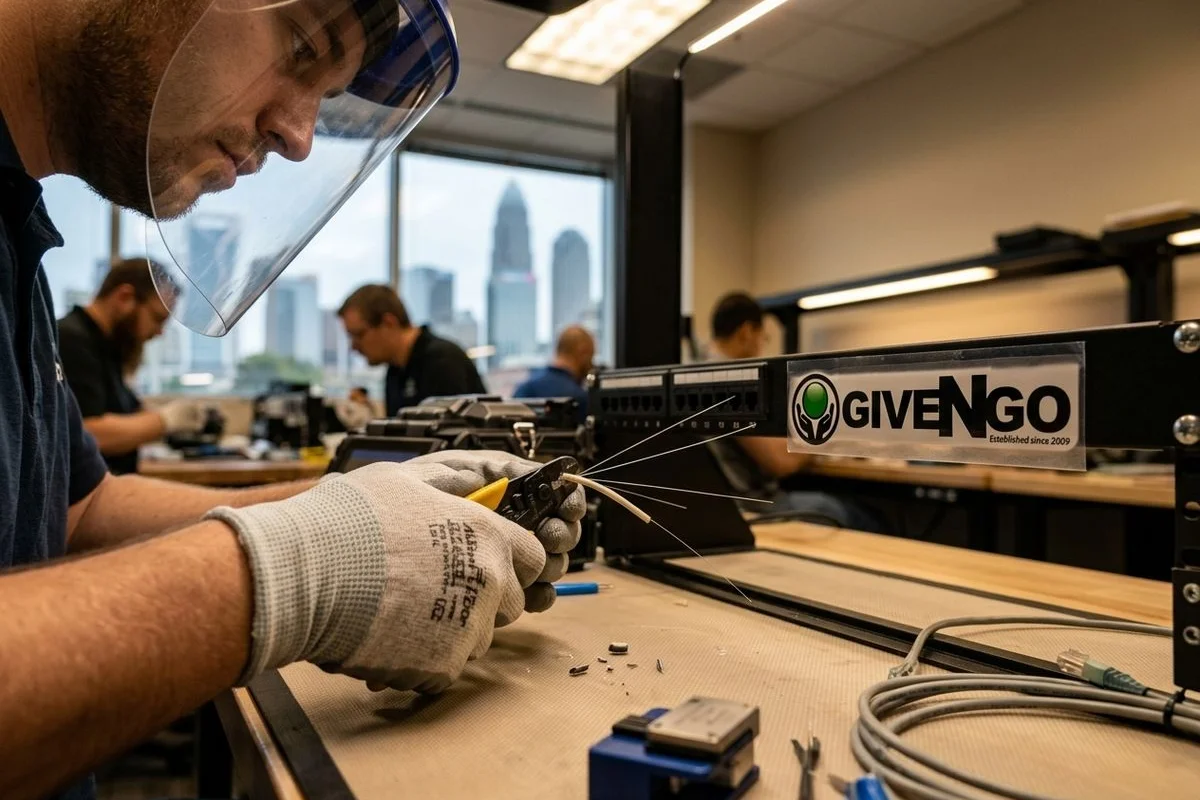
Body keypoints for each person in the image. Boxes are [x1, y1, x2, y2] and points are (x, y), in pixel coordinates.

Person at [0, 3, 582, 799]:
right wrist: (300, 570)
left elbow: (78, 510)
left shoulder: (18, 246)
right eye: (305, 46)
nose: (301, 138)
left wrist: (361, 505)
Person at [706, 293, 881, 531]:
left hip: (731, 506)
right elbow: (781, 462)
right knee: (856, 514)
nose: (760, 347)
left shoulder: (698, 374)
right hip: (757, 507)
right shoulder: (728, 382)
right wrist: (820, 436)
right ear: (747, 332)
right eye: (762, 338)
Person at [57, 258, 207, 474]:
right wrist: (166, 419)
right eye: (157, 318)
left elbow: (124, 409)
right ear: (124, 297)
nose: (159, 332)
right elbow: (90, 432)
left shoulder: (108, 346)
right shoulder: (72, 340)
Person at [338, 284, 486, 416]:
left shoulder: (442, 362)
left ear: (388, 323)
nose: (354, 347)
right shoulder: (395, 370)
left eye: (358, 335)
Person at [513, 324, 594, 421]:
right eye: (591, 357)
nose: (591, 365)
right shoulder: (580, 399)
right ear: (583, 352)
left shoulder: (524, 389)